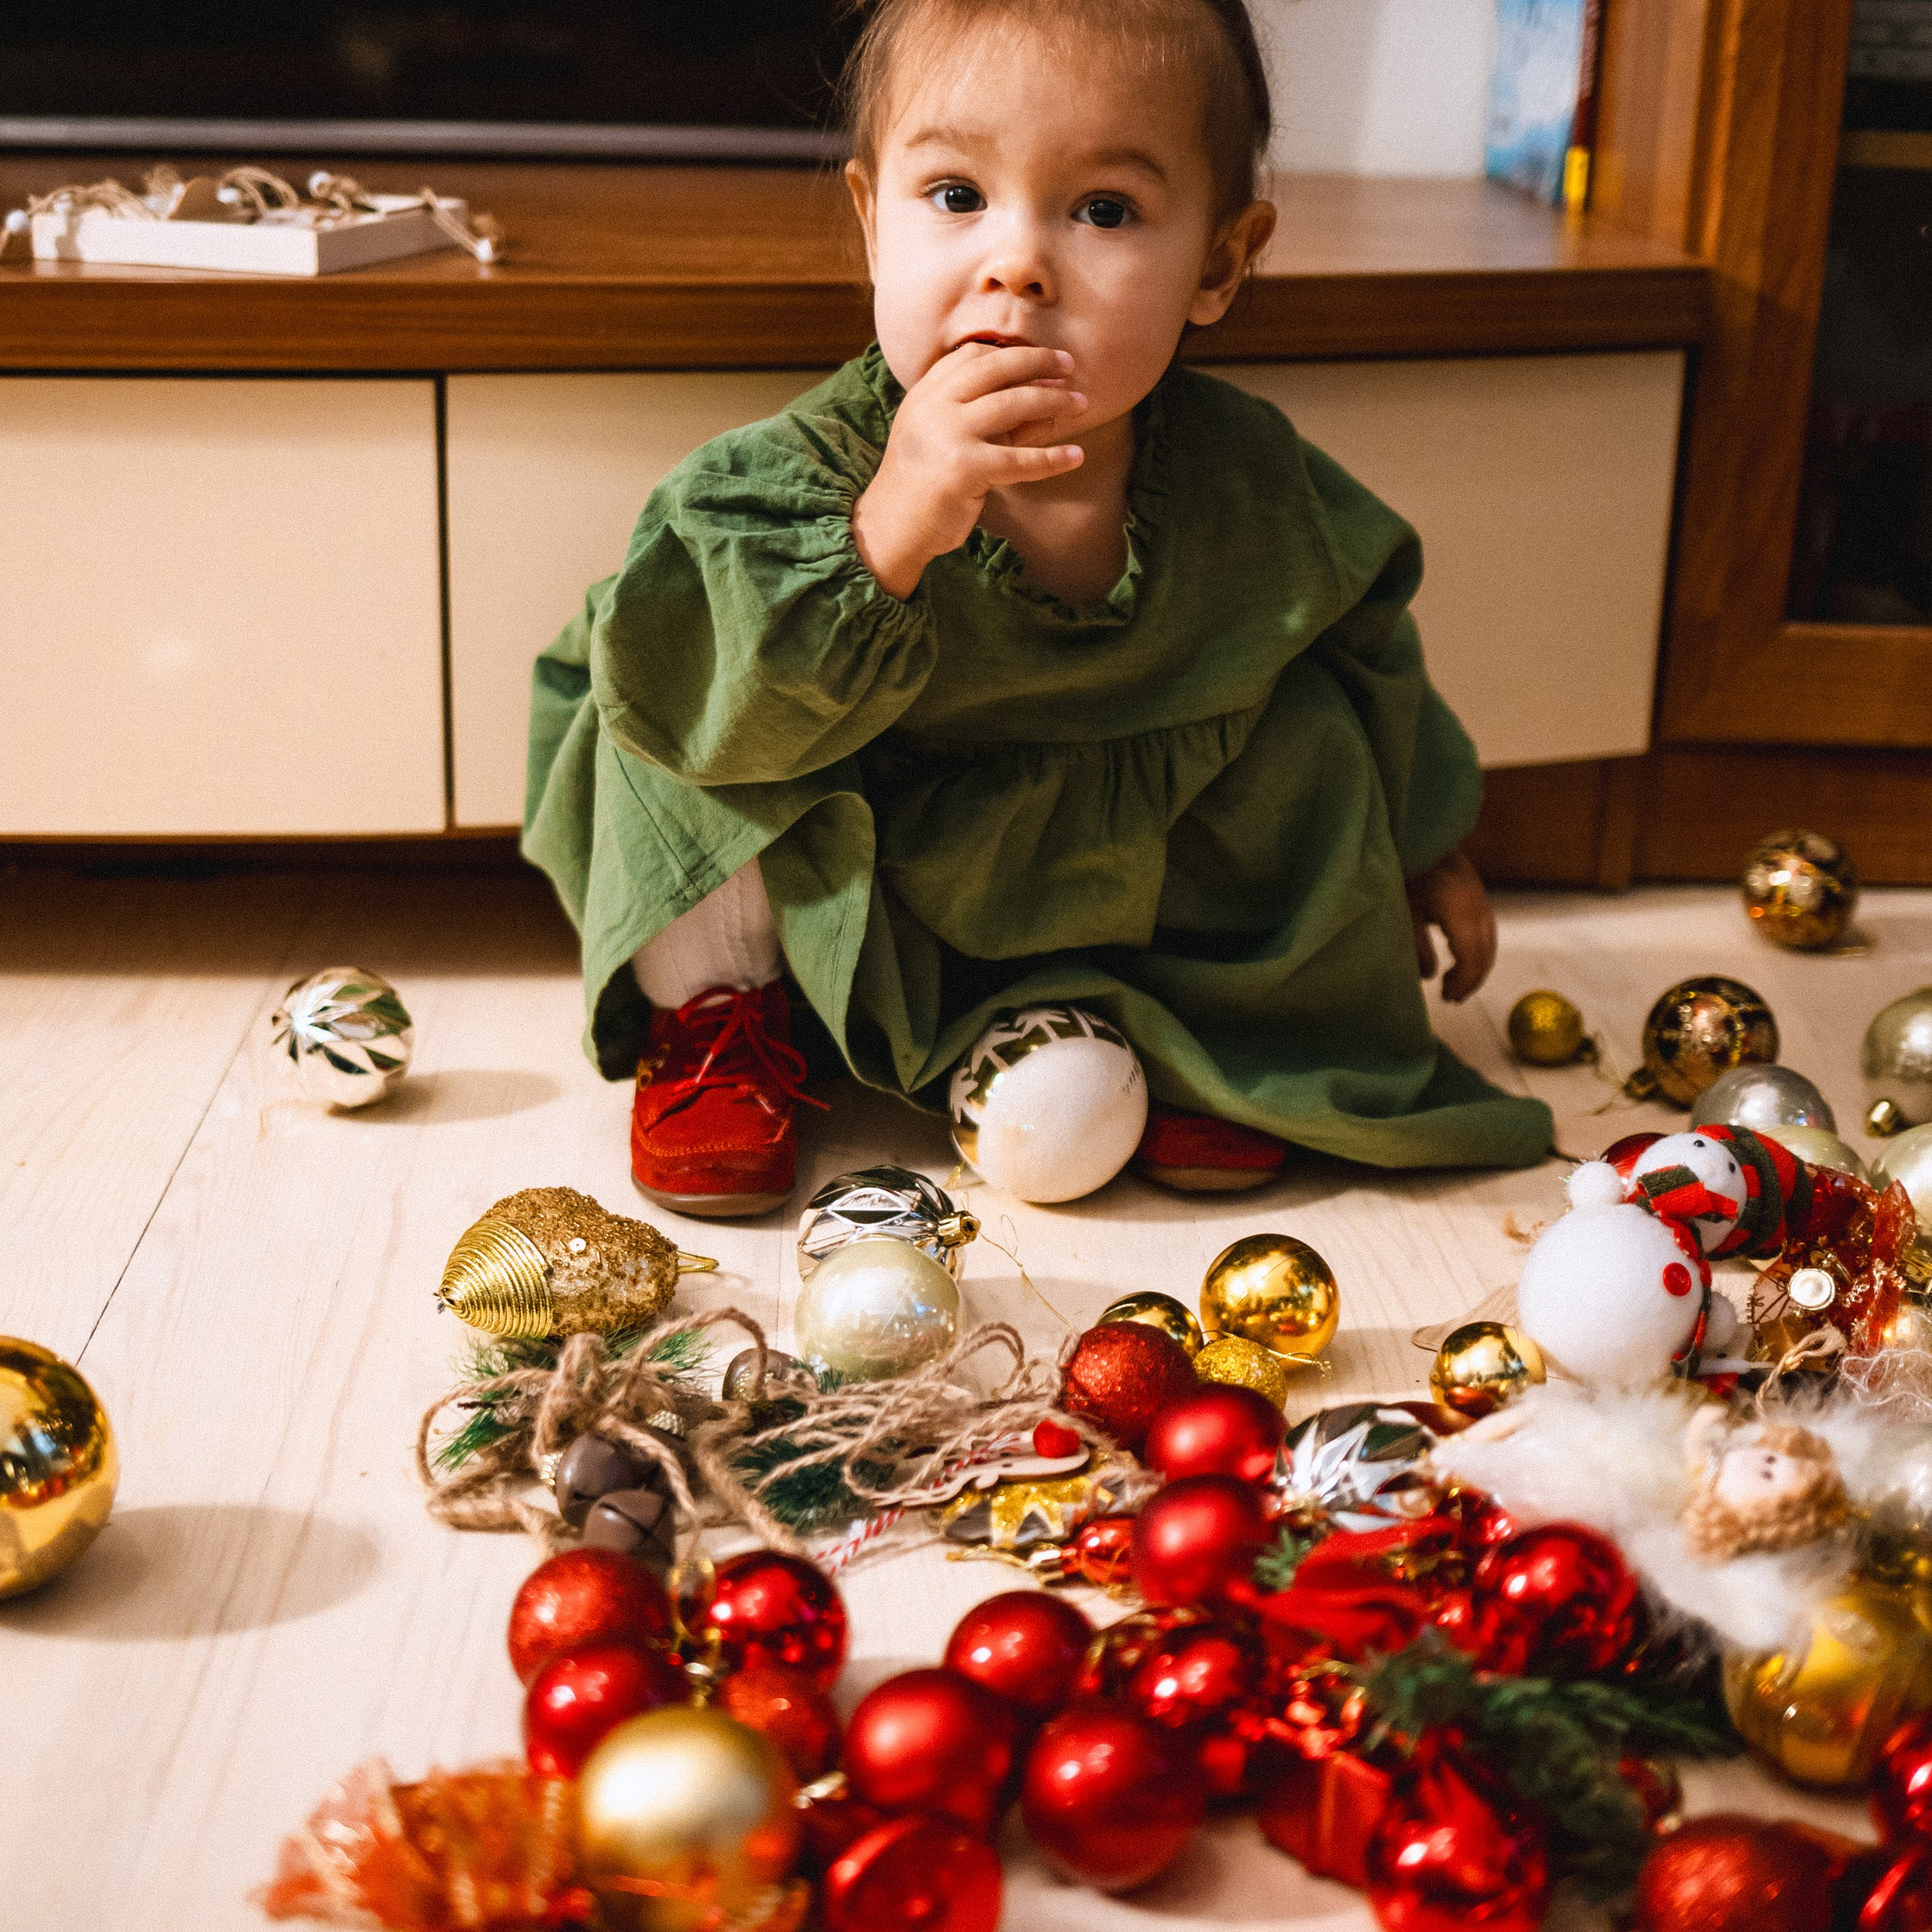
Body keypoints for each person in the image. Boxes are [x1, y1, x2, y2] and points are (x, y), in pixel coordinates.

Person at [524, 0, 1554, 1218]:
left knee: (1302, 708)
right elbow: (708, 708)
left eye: (1104, 211)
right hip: (873, 861)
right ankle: (720, 1011)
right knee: (682, 702)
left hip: (1109, 870)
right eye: (955, 196)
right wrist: (895, 521)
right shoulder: (799, 484)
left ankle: (1207, 1037)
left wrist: (1426, 842)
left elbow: (1367, 643)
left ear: (1219, 264)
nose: (1016, 264)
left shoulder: (1246, 485)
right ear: (872, 223)